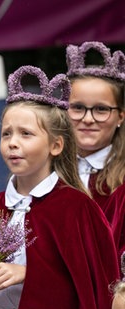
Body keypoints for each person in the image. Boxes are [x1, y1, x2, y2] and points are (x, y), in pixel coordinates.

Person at [0, 65, 119, 309]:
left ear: (56, 145)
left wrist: (27, 275)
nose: (13, 142)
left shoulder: (76, 208)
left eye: (26, 134)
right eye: (7, 134)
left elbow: (94, 292)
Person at [66, 41, 125, 214]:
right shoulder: (45, 169)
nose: (88, 119)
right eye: (78, 107)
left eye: (101, 109)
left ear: (120, 116)